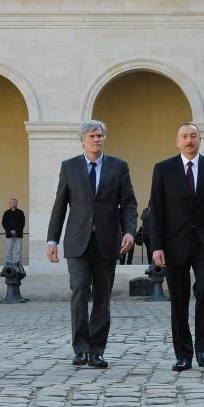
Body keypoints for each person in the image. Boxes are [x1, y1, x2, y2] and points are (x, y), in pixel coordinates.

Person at [47, 120, 137, 370]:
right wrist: (52, 239)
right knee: (79, 291)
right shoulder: (70, 167)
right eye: (92, 136)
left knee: (102, 296)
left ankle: (97, 350)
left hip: (108, 242)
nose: (96, 139)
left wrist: (129, 231)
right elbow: (60, 205)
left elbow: (129, 203)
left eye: (99, 135)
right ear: (82, 141)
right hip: (77, 242)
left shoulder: (119, 167)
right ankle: (80, 348)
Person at [148, 122, 204, 372]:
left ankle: (203, 349)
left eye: (193, 136)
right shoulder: (163, 169)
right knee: (179, 300)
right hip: (174, 244)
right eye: (184, 136)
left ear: (200, 139)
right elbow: (156, 211)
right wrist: (156, 247)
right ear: (177, 141)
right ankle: (183, 354)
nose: (189, 140)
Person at [2, 198, 25, 265]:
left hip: (18, 234)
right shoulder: (6, 213)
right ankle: (9, 263)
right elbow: (4, 223)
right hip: (9, 234)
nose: (10, 204)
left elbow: (22, 223)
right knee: (9, 250)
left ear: (16, 204)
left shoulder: (21, 212)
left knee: (18, 250)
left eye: (12, 202)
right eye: (10, 202)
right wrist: (10, 230)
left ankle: (19, 263)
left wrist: (16, 230)